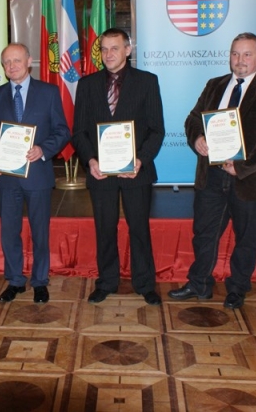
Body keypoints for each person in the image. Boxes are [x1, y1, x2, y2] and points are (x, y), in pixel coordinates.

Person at [168, 32, 256, 309]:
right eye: (235, 54)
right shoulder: (215, 85)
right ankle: (200, 283)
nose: (240, 60)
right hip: (211, 176)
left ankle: (237, 288)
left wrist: (241, 166)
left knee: (246, 237)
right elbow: (193, 119)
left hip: (248, 179)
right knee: (204, 233)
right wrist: (197, 138)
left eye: (247, 54)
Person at [71, 27, 165, 305]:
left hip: (136, 171)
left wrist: (140, 160)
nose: (108, 54)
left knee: (139, 228)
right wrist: (90, 160)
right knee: (104, 228)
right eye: (104, 49)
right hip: (100, 172)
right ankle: (107, 281)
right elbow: (79, 132)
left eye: (115, 48)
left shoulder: (147, 82)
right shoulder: (87, 85)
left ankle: (145, 284)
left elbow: (156, 130)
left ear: (128, 50)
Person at [0, 44, 70, 303]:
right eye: (7, 62)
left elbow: (62, 131)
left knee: (40, 232)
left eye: (17, 60)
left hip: (38, 175)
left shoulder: (49, 92)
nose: (12, 66)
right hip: (7, 177)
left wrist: (43, 149)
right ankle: (15, 281)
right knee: (9, 232)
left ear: (29, 61)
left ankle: (40, 281)